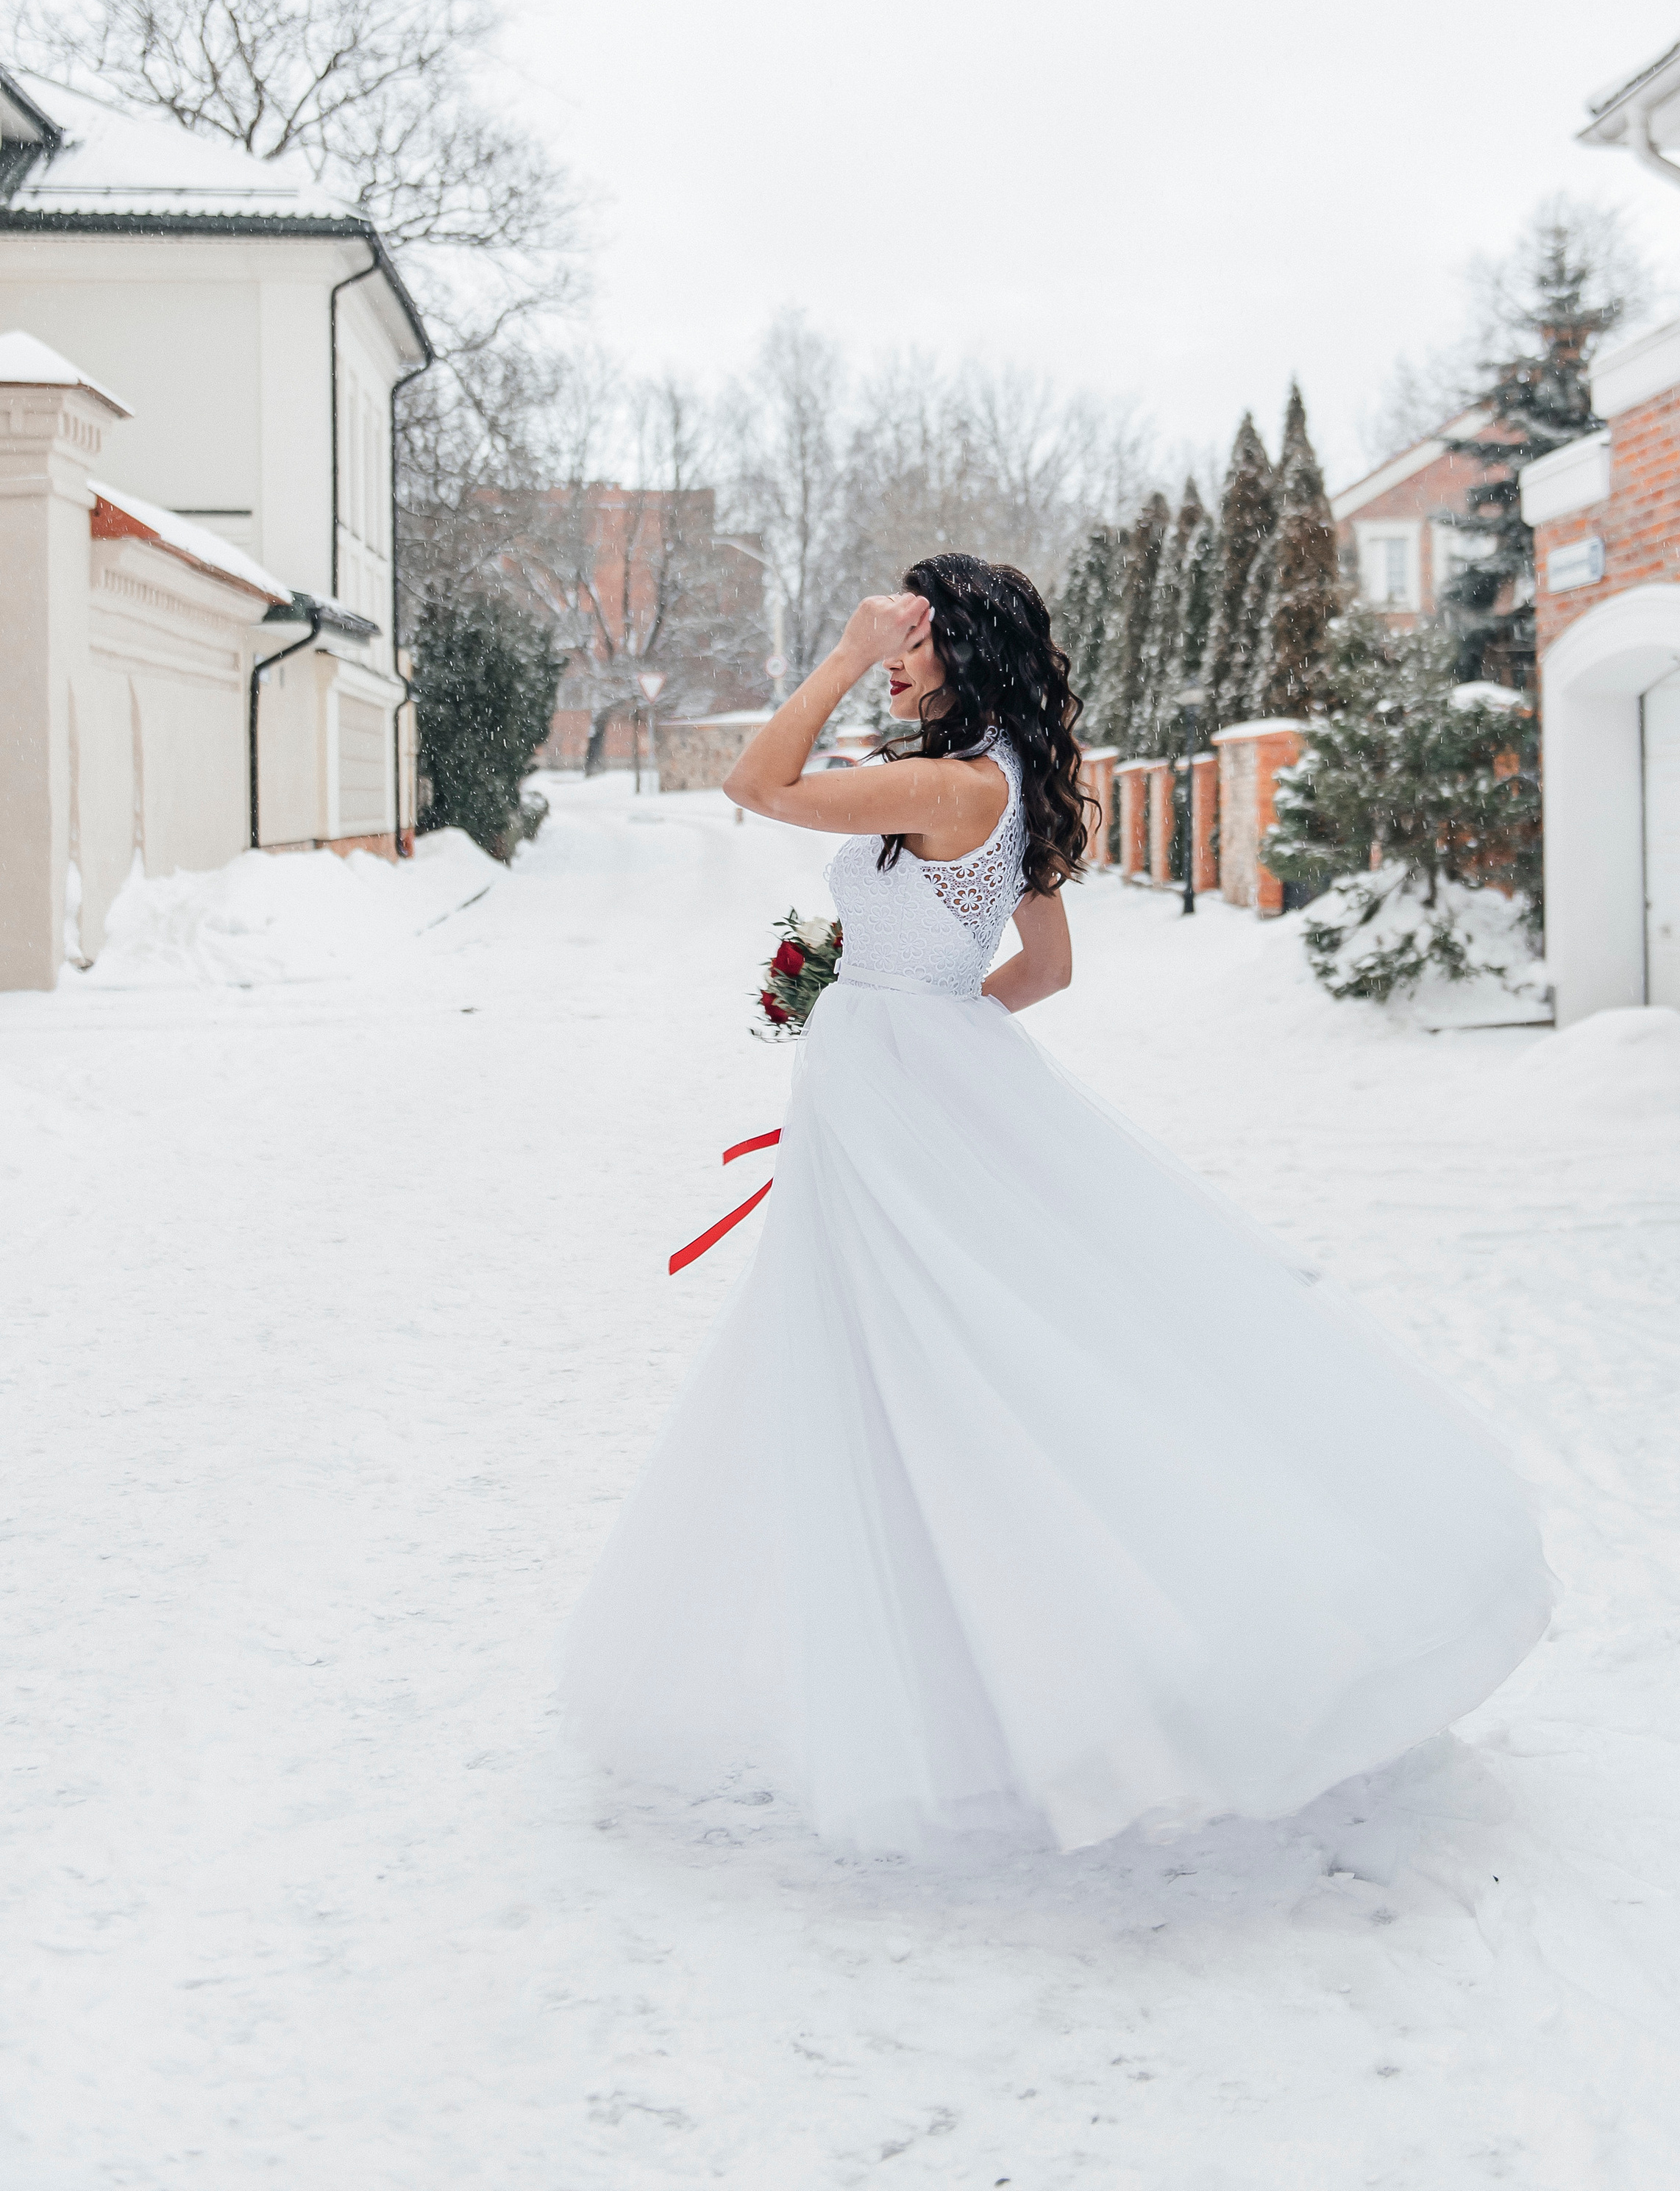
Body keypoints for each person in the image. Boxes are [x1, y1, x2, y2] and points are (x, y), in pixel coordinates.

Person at [561, 554, 1551, 1857]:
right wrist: (907, 1017)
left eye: (917, 639)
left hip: (896, 1115)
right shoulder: (1009, 781)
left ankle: (1018, 1695)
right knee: (939, 1374)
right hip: (912, 1098)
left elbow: (756, 785)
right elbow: (1047, 966)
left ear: (968, 649)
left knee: (935, 1382)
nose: (900, 658)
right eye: (894, 638)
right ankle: (991, 1690)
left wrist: (847, 658)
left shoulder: (946, 784)